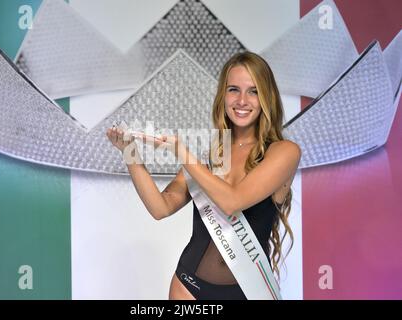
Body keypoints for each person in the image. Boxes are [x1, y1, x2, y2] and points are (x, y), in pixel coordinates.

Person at [106, 52, 301, 300]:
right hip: (189, 287)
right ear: (223, 95)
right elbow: (160, 207)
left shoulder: (284, 152)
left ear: (267, 97)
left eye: (253, 91)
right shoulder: (211, 158)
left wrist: (182, 153)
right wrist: (129, 152)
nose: (242, 100)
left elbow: (233, 201)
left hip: (249, 293)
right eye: (233, 90)